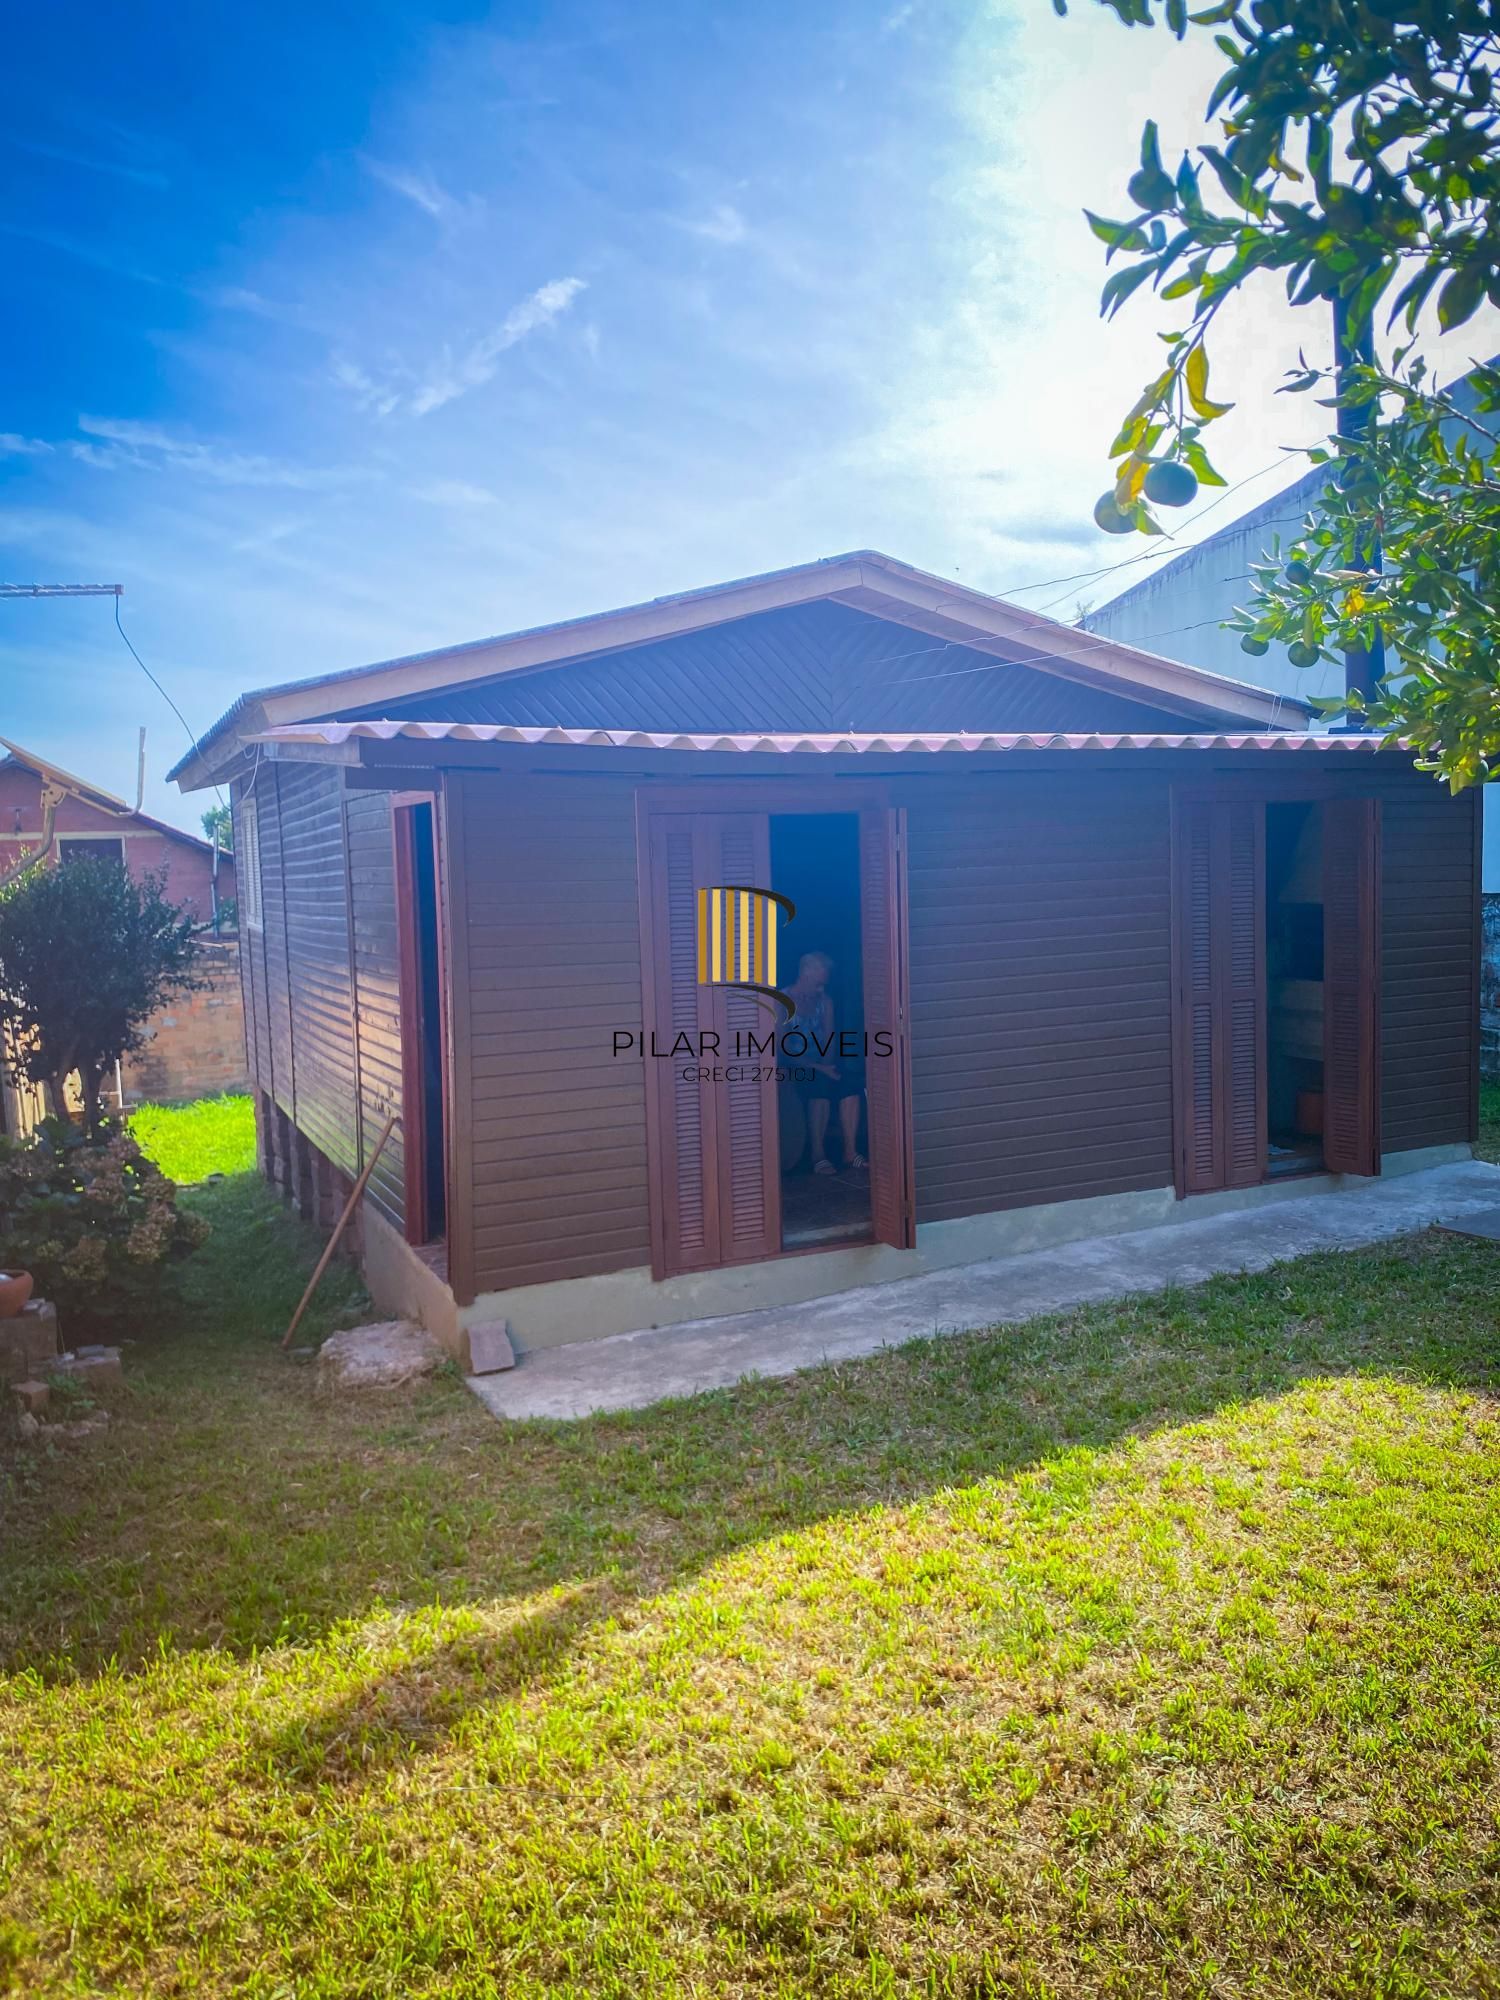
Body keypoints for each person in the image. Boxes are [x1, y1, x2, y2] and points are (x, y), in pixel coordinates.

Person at [785, 950, 865, 1174]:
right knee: (818, 1086)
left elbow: (829, 1039)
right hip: (795, 1065)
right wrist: (818, 1068)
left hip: (820, 1064)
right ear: (807, 972)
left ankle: (850, 1152)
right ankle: (818, 1156)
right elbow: (781, 1047)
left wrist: (828, 1065)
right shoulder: (784, 1000)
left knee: (849, 1083)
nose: (826, 977)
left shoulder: (825, 1001)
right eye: (823, 972)